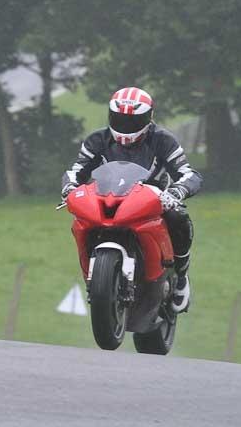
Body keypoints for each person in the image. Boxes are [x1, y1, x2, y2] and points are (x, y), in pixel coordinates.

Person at [61, 87, 202, 313]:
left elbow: (188, 173)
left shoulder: (163, 140)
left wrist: (177, 192)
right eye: (119, 119)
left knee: (178, 216)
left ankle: (182, 278)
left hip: (153, 200)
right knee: (80, 221)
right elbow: (76, 170)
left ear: (149, 119)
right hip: (108, 196)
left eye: (133, 121)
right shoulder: (97, 140)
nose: (125, 127)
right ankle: (95, 274)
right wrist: (69, 187)